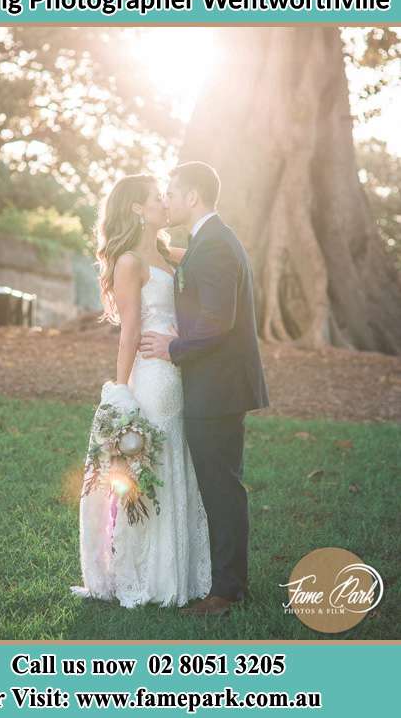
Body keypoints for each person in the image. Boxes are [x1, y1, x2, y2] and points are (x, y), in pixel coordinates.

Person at [70, 174, 211, 608]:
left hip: (180, 368)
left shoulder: (171, 255)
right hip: (153, 376)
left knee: (174, 465)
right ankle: (147, 574)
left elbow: (214, 258)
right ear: (137, 209)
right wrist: (120, 391)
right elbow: (129, 330)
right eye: (156, 199)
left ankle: (177, 570)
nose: (164, 204)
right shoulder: (131, 261)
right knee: (151, 471)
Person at [140, 161, 269, 616]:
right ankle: (227, 583)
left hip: (217, 388)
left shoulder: (214, 245)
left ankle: (226, 592)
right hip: (217, 385)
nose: (167, 200)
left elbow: (218, 321)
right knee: (221, 485)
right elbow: (192, 278)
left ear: (192, 196)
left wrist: (172, 346)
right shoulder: (208, 242)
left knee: (220, 489)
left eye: (172, 193)